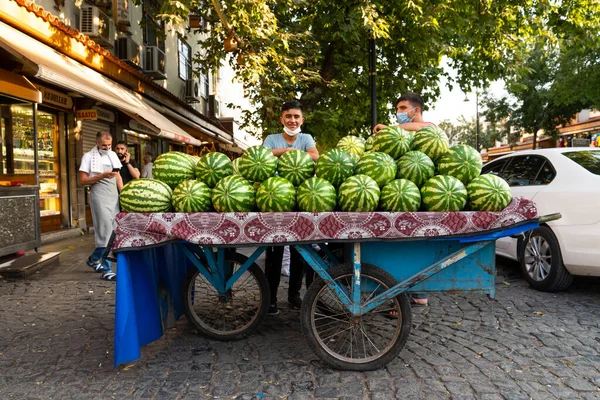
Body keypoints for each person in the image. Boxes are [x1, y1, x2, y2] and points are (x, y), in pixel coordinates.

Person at [372, 92, 433, 306]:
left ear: (415, 110)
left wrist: (390, 129)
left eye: (402, 108)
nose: (399, 113)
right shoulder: (400, 133)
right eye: (397, 109)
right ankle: (406, 296)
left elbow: (423, 128)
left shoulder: (429, 128)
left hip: (422, 195)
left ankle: (410, 297)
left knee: (416, 248)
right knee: (402, 249)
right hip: (401, 192)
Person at [263, 100, 319, 315]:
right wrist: (289, 150)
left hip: (302, 198)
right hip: (275, 198)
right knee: (274, 252)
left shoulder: (306, 138)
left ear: (302, 120)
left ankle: (294, 295)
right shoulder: (271, 139)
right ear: (281, 119)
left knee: (299, 251)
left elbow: (315, 156)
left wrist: (284, 153)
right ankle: (270, 299)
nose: (292, 120)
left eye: (296, 117)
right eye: (288, 116)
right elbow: (262, 157)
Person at [78, 131, 123, 281]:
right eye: (104, 145)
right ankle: (107, 269)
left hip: (113, 197)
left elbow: (118, 176)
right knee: (105, 232)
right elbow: (83, 180)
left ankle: (93, 259)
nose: (107, 147)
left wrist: (123, 193)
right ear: (97, 143)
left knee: (113, 232)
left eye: (110, 145)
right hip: (99, 197)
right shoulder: (88, 157)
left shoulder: (113, 155)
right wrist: (101, 176)